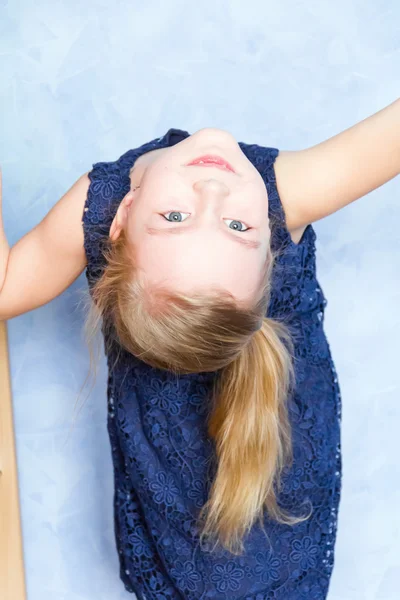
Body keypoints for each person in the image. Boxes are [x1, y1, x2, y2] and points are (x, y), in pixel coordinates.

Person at [0, 100, 399, 599]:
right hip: (175, 475)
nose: (213, 191)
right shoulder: (285, 193)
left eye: (174, 217)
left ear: (121, 220)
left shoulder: (107, 204)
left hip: (266, 459)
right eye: (237, 227)